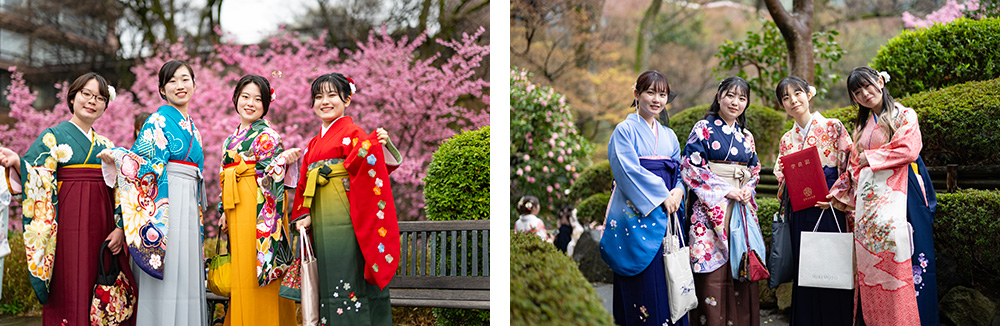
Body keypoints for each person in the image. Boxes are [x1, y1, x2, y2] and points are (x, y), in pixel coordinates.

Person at [0, 72, 138, 325]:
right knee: (68, 282)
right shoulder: (52, 137)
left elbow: (122, 189)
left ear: (106, 105)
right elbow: (38, 177)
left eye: (99, 97)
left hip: (102, 225)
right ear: (72, 97)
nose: (92, 101)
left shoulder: (106, 144)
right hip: (65, 227)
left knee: (100, 282)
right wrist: (18, 162)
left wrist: (119, 229)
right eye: (86, 94)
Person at [98, 60, 208, 326]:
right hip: (166, 205)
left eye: (185, 79)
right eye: (172, 81)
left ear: (194, 83)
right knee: (168, 270)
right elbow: (143, 166)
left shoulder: (193, 126)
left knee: (186, 274)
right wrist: (119, 155)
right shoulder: (156, 121)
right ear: (162, 89)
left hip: (189, 203)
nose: (180, 86)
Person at [288, 72, 402, 325]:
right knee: (327, 272)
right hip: (320, 216)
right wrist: (303, 214)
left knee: (349, 267)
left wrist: (376, 145)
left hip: (348, 215)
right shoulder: (312, 144)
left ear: (347, 99)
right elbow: (305, 182)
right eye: (318, 97)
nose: (324, 102)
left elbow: (368, 165)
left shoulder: (354, 133)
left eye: (332, 95)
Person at [846, 66, 936, 326]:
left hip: (905, 192)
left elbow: (909, 148)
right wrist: (844, 194)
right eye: (857, 92)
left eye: (868, 86)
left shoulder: (905, 114)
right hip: (871, 199)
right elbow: (854, 164)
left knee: (908, 256)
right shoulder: (862, 125)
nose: (865, 94)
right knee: (873, 261)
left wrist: (871, 157)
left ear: (880, 82)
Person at [599, 70, 688, 326]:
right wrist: (662, 196)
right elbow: (626, 170)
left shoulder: (669, 136)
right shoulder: (624, 131)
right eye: (650, 92)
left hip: (669, 210)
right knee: (644, 280)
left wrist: (678, 191)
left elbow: (680, 171)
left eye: (662, 94)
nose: (657, 99)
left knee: (669, 275)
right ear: (636, 94)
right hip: (637, 215)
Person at [216, 75, 300, 325]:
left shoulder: (268, 136)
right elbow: (224, 177)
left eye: (258, 99)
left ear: (265, 105)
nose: (250, 103)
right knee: (242, 271)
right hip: (236, 207)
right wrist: (223, 209)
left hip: (260, 209)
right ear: (236, 99)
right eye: (245, 97)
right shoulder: (230, 140)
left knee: (258, 268)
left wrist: (281, 161)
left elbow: (271, 177)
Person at [772, 76, 854, 326]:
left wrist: (837, 194)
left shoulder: (833, 126)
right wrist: (789, 180)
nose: (792, 100)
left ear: (809, 94)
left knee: (830, 264)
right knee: (806, 268)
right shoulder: (787, 139)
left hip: (830, 206)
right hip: (801, 208)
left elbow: (850, 165)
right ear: (782, 105)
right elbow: (780, 174)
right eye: (785, 98)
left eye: (797, 93)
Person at [680, 76, 761, 326]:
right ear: (719, 97)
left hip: (739, 208)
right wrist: (726, 190)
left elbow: (754, 169)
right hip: (708, 210)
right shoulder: (702, 128)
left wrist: (747, 189)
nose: (735, 102)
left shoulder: (746, 136)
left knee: (741, 267)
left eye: (742, 98)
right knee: (711, 270)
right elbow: (691, 167)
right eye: (730, 95)